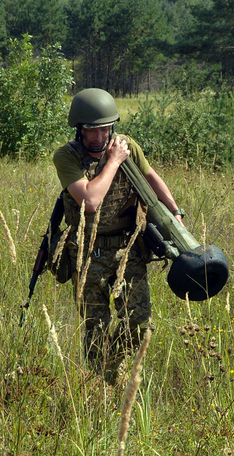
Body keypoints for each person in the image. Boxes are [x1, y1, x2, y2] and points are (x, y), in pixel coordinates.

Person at [52, 88, 185, 382]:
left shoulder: (128, 146)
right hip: (88, 253)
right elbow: (90, 201)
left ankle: (113, 369)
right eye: (91, 131)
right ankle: (103, 385)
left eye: (104, 129)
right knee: (95, 329)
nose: (99, 137)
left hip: (129, 249)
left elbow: (151, 178)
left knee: (141, 326)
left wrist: (176, 212)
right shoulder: (66, 156)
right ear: (79, 129)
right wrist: (113, 160)